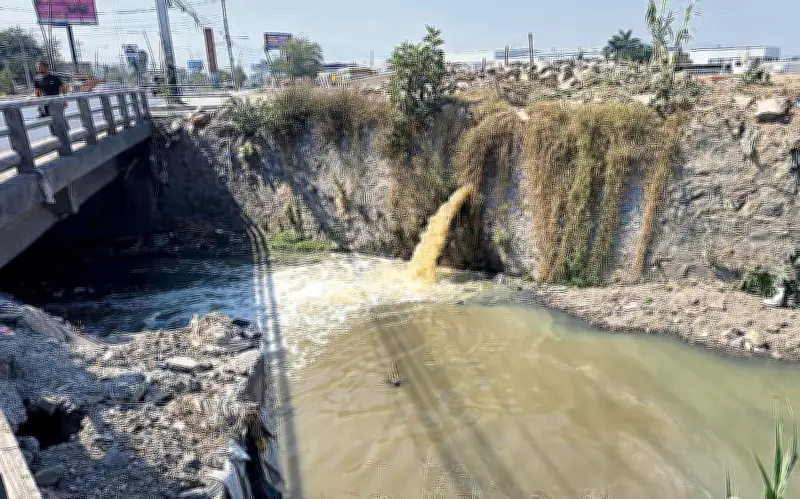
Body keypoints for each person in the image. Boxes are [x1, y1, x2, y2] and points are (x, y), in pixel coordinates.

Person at [33, 61, 67, 130]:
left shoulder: (54, 77)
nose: (39, 68)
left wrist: (64, 100)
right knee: (49, 119)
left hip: (56, 101)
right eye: (38, 67)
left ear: (46, 67)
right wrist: (38, 103)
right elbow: (37, 91)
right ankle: (54, 135)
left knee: (59, 118)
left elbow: (62, 88)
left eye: (40, 67)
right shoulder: (37, 79)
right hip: (45, 102)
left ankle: (66, 132)